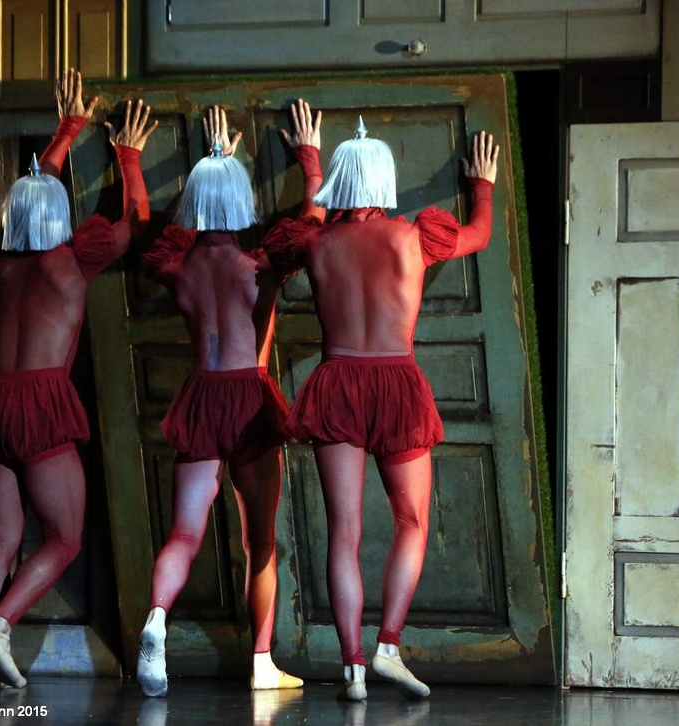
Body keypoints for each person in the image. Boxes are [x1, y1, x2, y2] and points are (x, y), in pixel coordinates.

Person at [263, 108, 501, 701]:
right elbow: (479, 235)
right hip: (396, 384)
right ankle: (388, 647)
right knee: (411, 521)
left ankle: (352, 669)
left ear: (343, 180)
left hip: (338, 383)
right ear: (385, 179)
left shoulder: (315, 241)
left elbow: (300, 227)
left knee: (343, 532)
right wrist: (482, 186)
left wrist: (310, 163)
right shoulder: (415, 236)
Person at [0, 68, 158, 689]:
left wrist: (66, 131)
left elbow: (27, 199)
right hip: (41, 401)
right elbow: (138, 220)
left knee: (2, 541)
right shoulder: (74, 261)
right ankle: (0, 626)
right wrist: (128, 155)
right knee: (64, 539)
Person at [135, 100, 324, 697]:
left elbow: (158, 231)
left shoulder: (179, 266)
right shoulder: (260, 267)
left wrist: (211, 164)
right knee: (259, 541)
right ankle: (262, 662)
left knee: (183, 534)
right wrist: (309, 160)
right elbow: (313, 227)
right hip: (248, 399)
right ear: (241, 199)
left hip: (200, 394)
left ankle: (156, 618)